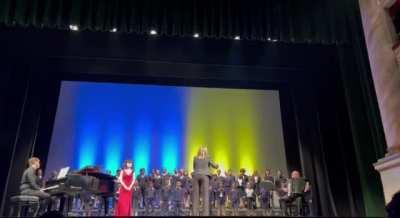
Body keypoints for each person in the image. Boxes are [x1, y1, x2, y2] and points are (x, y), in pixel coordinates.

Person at [192, 147, 219, 216]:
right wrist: (217, 165)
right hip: (205, 175)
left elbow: (194, 167)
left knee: (195, 196)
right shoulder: (207, 157)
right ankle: (205, 214)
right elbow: (215, 166)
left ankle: (195, 214)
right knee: (205, 196)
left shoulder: (195, 157)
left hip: (196, 175)